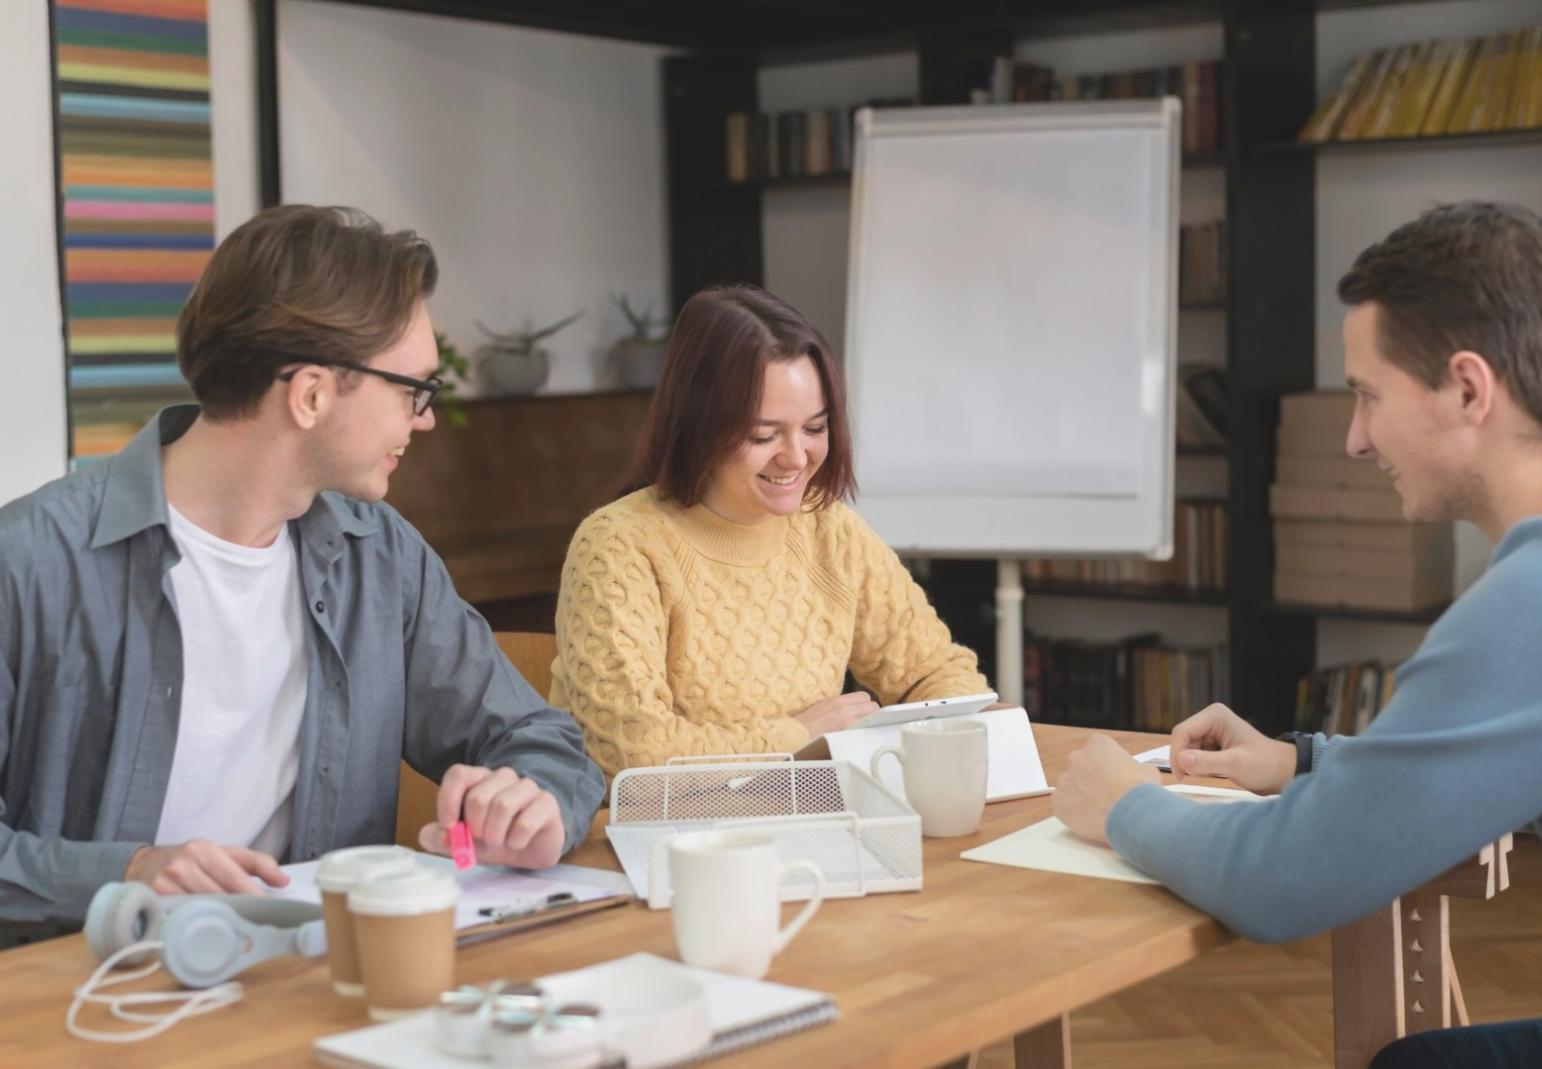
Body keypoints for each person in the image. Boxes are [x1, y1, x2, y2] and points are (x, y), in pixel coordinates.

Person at [1052, 201, 1542, 1068]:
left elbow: (1286, 880)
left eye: (1366, 395)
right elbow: (1481, 754)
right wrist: (1304, 761)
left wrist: (1125, 806)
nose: (1353, 439)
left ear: (1468, 389)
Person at [0, 205, 604, 941]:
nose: (425, 420)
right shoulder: (31, 563)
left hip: (313, 986)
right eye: (413, 389)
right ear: (311, 393)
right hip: (82, 1009)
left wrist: (535, 803)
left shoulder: (380, 557)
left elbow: (539, 736)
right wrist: (124, 873)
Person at [549, 284, 989, 778]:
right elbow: (631, 752)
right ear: (700, 425)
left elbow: (938, 673)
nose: (797, 458)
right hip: (658, 841)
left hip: (807, 817)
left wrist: (938, 732)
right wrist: (798, 735)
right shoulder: (618, 545)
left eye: (815, 428)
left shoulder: (830, 530)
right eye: (763, 435)